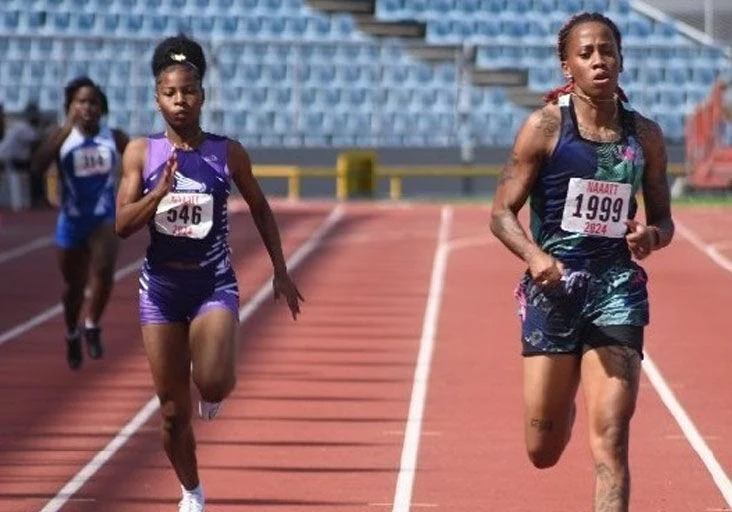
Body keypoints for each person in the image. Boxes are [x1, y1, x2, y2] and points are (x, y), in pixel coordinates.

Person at [489, 12, 674, 512]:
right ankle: (564, 393)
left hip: (617, 289)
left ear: (621, 58)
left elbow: (664, 219)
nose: (599, 60)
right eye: (587, 52)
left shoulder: (646, 137)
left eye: (607, 50)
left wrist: (651, 236)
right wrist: (533, 256)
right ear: (567, 64)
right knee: (542, 451)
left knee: (611, 440)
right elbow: (501, 213)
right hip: (554, 290)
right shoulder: (545, 127)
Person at [114, 35, 303, 512]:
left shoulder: (227, 152)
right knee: (174, 414)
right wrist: (157, 195)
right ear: (157, 98)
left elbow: (260, 208)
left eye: (189, 91)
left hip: (212, 282)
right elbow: (120, 225)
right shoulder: (141, 152)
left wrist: (280, 270)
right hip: (160, 288)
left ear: (203, 95)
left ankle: (212, 390)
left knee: (215, 382)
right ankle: (192, 491)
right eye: (170, 93)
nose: (181, 101)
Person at [31, 78, 128, 369]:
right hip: (72, 220)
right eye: (81, 102)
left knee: (104, 272)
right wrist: (63, 129)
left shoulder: (114, 136)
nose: (87, 107)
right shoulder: (62, 137)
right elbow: (36, 167)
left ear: (102, 108)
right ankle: (72, 332)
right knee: (74, 286)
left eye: (93, 102)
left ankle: (92, 325)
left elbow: (142, 158)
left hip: (103, 217)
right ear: (71, 107)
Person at [0, 101, 42, 209]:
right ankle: (36, 199)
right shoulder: (24, 127)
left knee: (35, 167)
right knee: (37, 169)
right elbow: (37, 142)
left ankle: (34, 199)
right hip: (8, 160)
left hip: (11, 159)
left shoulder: (20, 125)